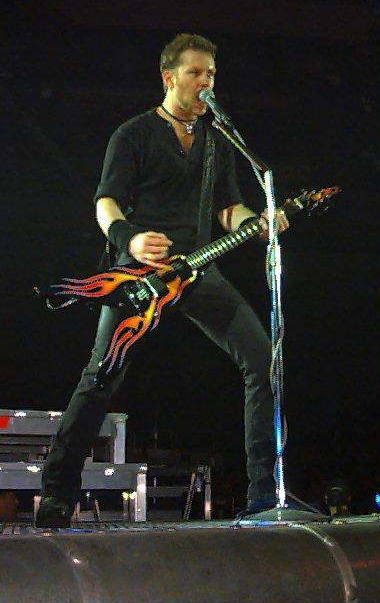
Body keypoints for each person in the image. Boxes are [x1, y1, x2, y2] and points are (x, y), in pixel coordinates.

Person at [36, 33, 289, 527]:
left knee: (265, 362)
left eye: (211, 73)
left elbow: (228, 209)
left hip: (197, 269)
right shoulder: (133, 134)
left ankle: (264, 494)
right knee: (102, 376)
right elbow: (106, 202)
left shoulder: (217, 141)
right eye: (196, 73)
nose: (206, 82)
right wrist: (130, 239)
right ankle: (56, 493)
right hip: (141, 274)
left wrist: (258, 222)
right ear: (169, 77)